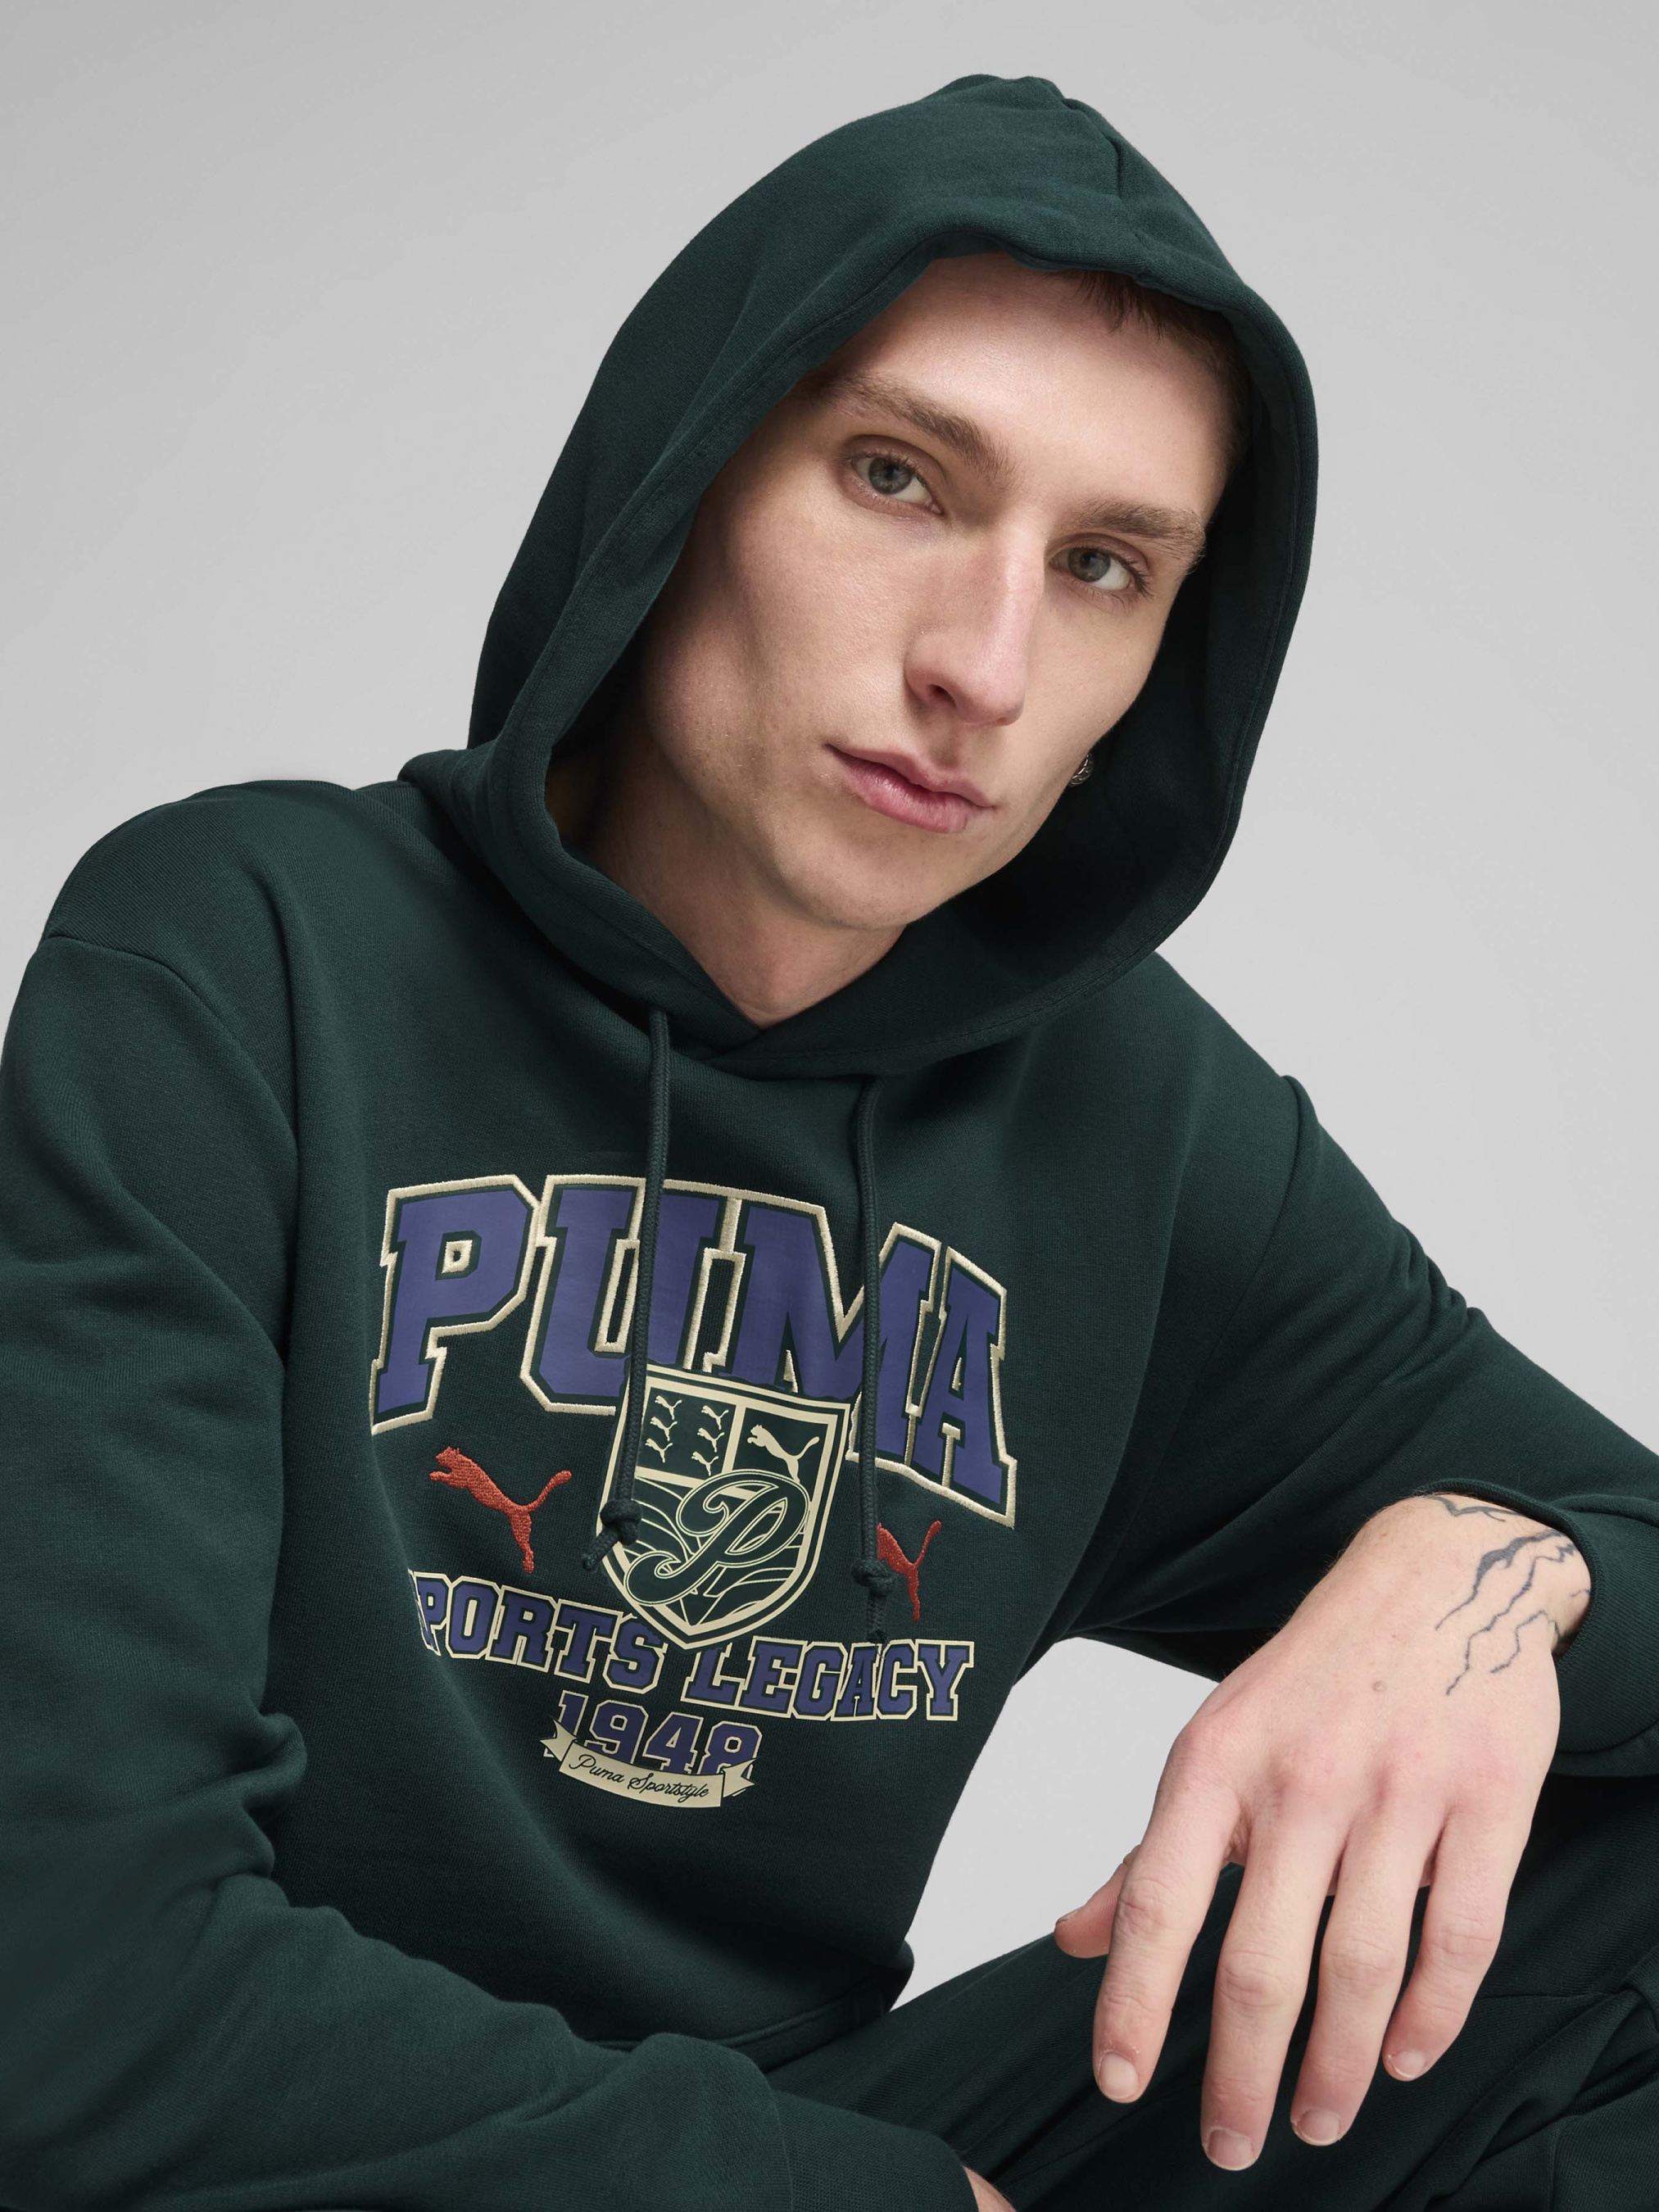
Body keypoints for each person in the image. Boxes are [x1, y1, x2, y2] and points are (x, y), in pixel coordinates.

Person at [2, 66, 1657, 2212]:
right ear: (685, 478)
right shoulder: (239, 958)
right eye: (897, 477)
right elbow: (74, 1994)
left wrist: (1485, 1573)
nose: (985, 663)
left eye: (1103, 565)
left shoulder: (1135, 1129)